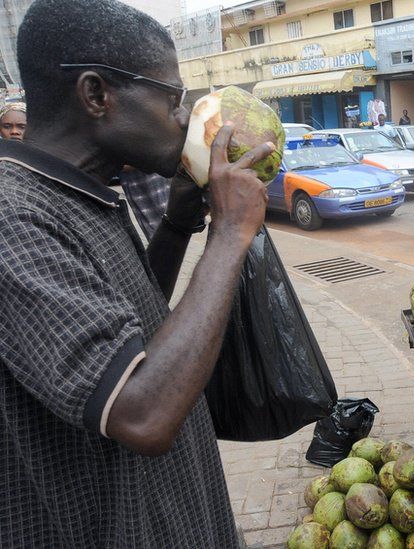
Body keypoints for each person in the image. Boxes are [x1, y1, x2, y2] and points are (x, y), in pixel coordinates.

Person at [0, 0, 276, 545]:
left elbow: (133, 327)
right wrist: (228, 235)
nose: (184, 119)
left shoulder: (86, 194)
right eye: (173, 99)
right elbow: (143, 414)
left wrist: (175, 228)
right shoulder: (14, 219)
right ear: (97, 94)